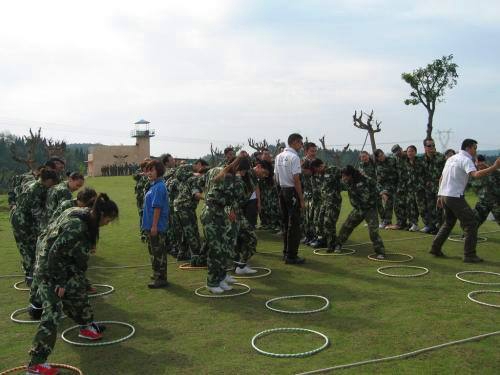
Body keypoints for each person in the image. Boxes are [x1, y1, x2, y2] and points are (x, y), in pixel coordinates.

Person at [26, 194, 118, 375]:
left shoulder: (85, 215)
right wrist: (59, 281)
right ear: (100, 214)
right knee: (53, 311)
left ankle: (86, 327)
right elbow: (55, 253)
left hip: (64, 264)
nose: (108, 223)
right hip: (49, 268)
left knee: (77, 290)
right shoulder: (77, 227)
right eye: (109, 219)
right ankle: (36, 363)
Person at [430, 139, 500, 262]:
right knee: (471, 223)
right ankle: (469, 255)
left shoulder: (451, 158)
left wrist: (440, 196)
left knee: (448, 223)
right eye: (475, 148)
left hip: (446, 195)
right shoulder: (466, 160)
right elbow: (476, 175)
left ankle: (435, 248)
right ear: (468, 148)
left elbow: (442, 178)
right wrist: (494, 167)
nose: (475, 151)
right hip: (455, 196)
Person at [10, 168, 59, 287]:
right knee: (26, 248)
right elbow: (36, 213)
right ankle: (29, 277)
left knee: (32, 247)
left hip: (26, 219)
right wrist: (45, 229)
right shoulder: (35, 190)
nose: (53, 185)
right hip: (21, 222)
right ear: (47, 180)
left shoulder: (39, 186)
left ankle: (33, 273)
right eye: (53, 182)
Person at [201, 157, 243, 293]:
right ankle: (212, 283)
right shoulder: (228, 177)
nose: (243, 174)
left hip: (219, 215)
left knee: (223, 248)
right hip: (211, 215)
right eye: (243, 171)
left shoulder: (229, 176)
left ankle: (220, 278)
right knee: (216, 250)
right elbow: (225, 197)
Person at [333, 165, 385, 258]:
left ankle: (380, 252)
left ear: (350, 175)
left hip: (370, 209)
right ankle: (338, 244)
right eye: (342, 176)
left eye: (345, 176)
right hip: (358, 209)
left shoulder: (365, 178)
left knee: (373, 231)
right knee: (346, 226)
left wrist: (383, 193)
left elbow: (377, 185)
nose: (343, 178)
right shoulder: (347, 182)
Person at [234, 159, 273, 274]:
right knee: (250, 238)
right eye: (264, 173)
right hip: (235, 210)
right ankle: (239, 265)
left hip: (241, 209)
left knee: (244, 236)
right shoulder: (245, 174)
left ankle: (240, 265)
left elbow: (253, 190)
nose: (264, 176)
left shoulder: (252, 177)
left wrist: (258, 202)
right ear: (259, 167)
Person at [275, 133, 305, 264]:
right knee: (294, 225)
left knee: (285, 223)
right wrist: (301, 199)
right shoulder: (294, 157)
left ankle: (285, 252)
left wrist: (280, 192)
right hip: (292, 191)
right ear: (294, 142)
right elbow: (296, 179)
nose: (301, 145)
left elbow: (275, 177)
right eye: (300, 142)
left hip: (282, 190)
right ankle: (291, 255)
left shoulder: (278, 156)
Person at [142, 159, 170, 288]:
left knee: (158, 252)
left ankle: (161, 278)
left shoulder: (159, 187)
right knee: (154, 251)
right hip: (151, 225)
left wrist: (154, 226)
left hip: (156, 226)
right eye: (148, 170)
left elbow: (157, 208)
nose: (149, 172)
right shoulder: (154, 185)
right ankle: (157, 273)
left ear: (158, 170)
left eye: (151, 170)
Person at [310, 159, 342, 251]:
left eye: (316, 169)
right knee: (319, 221)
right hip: (324, 201)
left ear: (320, 166)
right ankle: (324, 241)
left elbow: (344, 177)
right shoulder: (320, 174)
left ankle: (332, 245)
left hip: (334, 201)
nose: (316, 172)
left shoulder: (333, 170)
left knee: (329, 222)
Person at [421, 139, 446, 233]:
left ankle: (440, 228)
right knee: (430, 208)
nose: (432, 147)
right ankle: (432, 226)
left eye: (433, 145)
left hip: (439, 185)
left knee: (439, 207)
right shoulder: (422, 159)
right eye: (429, 146)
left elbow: (445, 172)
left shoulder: (440, 157)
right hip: (428, 187)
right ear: (425, 148)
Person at [473, 155, 500, 226]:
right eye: (477, 163)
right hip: (483, 203)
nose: (479, 165)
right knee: (473, 221)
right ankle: (467, 237)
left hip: (496, 202)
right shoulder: (475, 174)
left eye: (480, 163)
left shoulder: (495, 172)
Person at [405, 145, 426, 232]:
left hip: (420, 188)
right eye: (408, 151)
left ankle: (427, 224)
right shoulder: (406, 161)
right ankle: (414, 224)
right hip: (410, 189)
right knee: (412, 207)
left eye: (412, 151)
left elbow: (425, 173)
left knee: (422, 208)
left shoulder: (420, 161)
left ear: (415, 152)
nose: (410, 153)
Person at [374, 149, 396, 228]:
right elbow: (379, 181)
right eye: (379, 156)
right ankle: (387, 222)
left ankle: (402, 223)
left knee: (399, 205)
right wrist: (382, 192)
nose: (381, 157)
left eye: (382, 154)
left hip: (397, 186)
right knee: (387, 205)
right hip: (386, 188)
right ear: (377, 158)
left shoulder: (392, 160)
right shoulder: (377, 166)